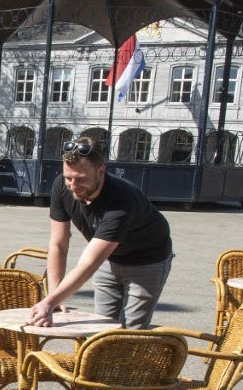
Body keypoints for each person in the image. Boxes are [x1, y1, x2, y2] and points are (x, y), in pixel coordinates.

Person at [28, 136, 173, 329]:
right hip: (110, 258)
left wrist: (49, 302)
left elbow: (88, 264)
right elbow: (58, 245)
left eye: (81, 179)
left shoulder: (121, 200)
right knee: (100, 328)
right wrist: (54, 297)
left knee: (131, 330)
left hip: (147, 260)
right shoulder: (61, 187)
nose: (73, 186)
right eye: (68, 178)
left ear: (101, 171)